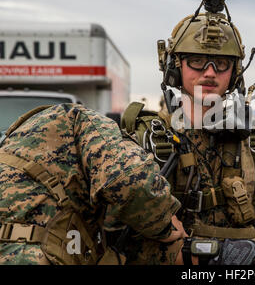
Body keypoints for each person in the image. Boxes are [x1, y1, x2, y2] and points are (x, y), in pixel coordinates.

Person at [115, 0, 255, 265]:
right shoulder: (144, 141)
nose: (210, 72)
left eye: (221, 63)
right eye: (197, 61)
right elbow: (113, 233)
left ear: (235, 73)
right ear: (174, 67)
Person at [0, 104, 184, 265]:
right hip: (25, 255)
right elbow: (132, 180)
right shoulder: (89, 123)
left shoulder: (20, 139)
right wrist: (167, 225)